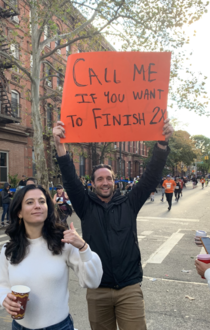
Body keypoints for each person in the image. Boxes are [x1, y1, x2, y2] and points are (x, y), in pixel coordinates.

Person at [53, 119, 173, 330]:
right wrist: (59, 145)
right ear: (92, 184)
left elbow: (151, 176)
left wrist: (162, 145)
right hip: (97, 289)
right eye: (99, 179)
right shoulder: (85, 205)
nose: (105, 182)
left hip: (129, 288)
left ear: (115, 181)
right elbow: (70, 179)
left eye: (108, 178)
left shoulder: (130, 202)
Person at [0, 184, 102, 330]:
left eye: (42, 201)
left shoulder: (63, 243)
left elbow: (93, 281)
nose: (37, 206)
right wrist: (4, 299)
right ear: (19, 212)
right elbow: (2, 284)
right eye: (30, 202)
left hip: (59, 326)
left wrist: (83, 247)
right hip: (19, 326)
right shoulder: (8, 249)